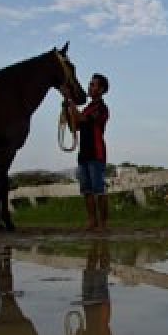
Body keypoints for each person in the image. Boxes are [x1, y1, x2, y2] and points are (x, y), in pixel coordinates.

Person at [63, 72, 110, 231]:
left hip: (96, 154)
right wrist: (67, 109)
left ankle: (102, 224)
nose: (89, 87)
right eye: (90, 84)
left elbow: (83, 121)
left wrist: (70, 101)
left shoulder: (102, 108)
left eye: (93, 85)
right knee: (87, 191)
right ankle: (91, 221)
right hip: (84, 154)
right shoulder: (87, 108)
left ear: (101, 89)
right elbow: (75, 126)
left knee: (99, 190)